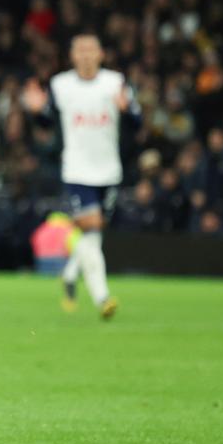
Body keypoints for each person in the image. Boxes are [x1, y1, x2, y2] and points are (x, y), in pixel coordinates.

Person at [23, 34, 140, 319]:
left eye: (91, 50)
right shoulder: (61, 85)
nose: (86, 55)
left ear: (101, 54)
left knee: (93, 238)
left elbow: (137, 123)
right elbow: (46, 120)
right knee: (91, 231)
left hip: (109, 170)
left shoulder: (115, 82)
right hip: (77, 169)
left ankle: (71, 274)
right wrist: (36, 111)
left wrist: (129, 111)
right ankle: (103, 298)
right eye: (80, 50)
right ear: (72, 56)